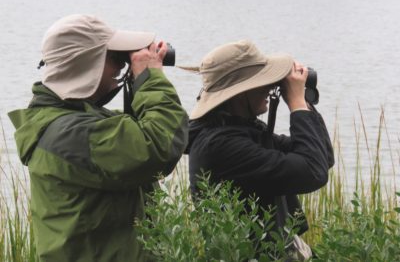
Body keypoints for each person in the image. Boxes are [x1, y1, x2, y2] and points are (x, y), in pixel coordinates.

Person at [8, 14, 188, 261]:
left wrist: (138, 83)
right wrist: (150, 79)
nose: (121, 67)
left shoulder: (69, 120)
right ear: (86, 65)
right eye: (115, 58)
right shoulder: (70, 134)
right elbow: (159, 145)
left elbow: (137, 135)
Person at [186, 40, 334, 258]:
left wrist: (303, 102)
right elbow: (313, 172)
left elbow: (322, 157)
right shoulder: (221, 145)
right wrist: (295, 102)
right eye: (262, 81)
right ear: (239, 92)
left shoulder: (239, 129)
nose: (269, 86)